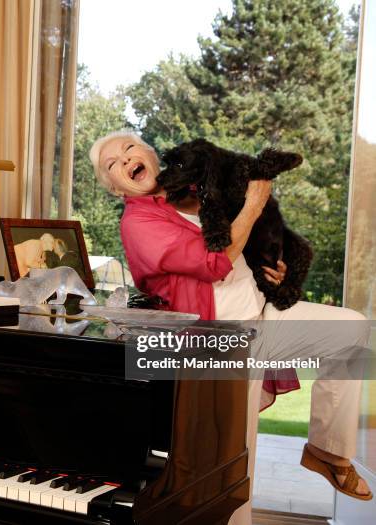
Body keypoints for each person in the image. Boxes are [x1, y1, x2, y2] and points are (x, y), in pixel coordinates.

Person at [89, 131, 372, 522]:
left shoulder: (193, 192)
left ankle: (327, 452)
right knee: (237, 471)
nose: (123, 161)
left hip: (262, 318)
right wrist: (255, 202)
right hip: (219, 343)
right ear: (114, 187)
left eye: (129, 149)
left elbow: (244, 252)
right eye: (111, 165)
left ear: (151, 155)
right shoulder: (139, 222)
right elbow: (214, 262)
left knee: (352, 330)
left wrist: (273, 268)